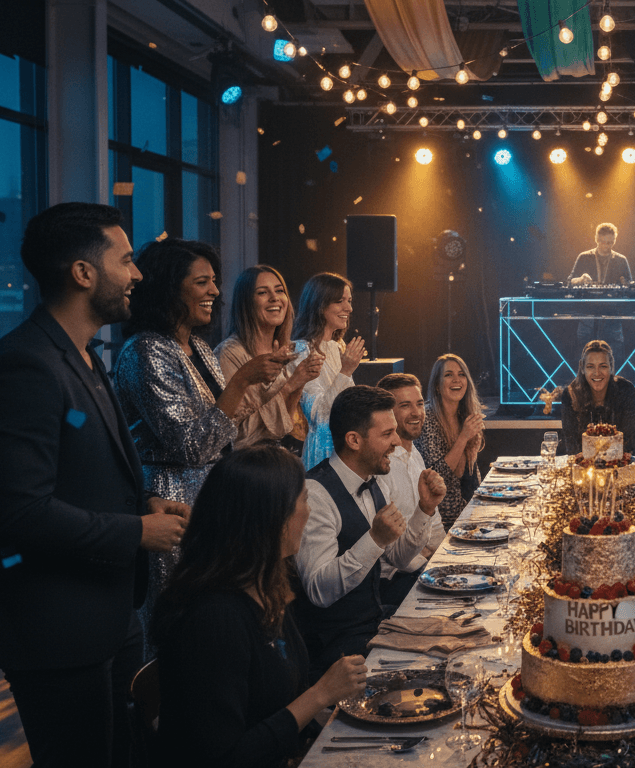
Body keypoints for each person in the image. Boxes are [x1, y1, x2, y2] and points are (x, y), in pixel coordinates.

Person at [0, 202, 188, 767]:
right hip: (56, 631)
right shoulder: (23, 366)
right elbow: (22, 514)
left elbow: (86, 469)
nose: (137, 274)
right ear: (83, 273)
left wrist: (144, 500)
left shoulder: (84, 356)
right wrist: (137, 531)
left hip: (108, 616)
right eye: (127, 260)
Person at [115, 238, 287, 649]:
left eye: (214, 281)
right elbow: (191, 446)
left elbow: (227, 427)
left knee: (218, 622)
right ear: (170, 287)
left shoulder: (198, 348)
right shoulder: (145, 352)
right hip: (173, 505)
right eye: (202, 282)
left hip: (211, 501)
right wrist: (243, 379)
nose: (214, 291)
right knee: (180, 627)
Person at [153, 446, 371, 768]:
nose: (308, 512)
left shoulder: (262, 588)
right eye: (304, 500)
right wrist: (320, 695)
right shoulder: (213, 618)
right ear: (272, 518)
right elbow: (225, 758)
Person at [293, 386, 446, 676]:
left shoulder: (374, 481)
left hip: (376, 624)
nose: (398, 442)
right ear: (354, 440)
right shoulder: (315, 494)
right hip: (339, 648)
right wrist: (374, 539)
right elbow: (318, 590)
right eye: (387, 434)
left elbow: (399, 558)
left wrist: (424, 509)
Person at [215, 265, 323, 451]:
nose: (275, 298)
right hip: (245, 465)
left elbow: (285, 424)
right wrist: (291, 384)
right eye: (263, 292)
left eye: (279, 291)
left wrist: (301, 382)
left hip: (277, 460)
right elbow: (237, 431)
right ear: (246, 303)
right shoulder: (229, 353)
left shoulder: (284, 349)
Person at [376, 372, 447, 605]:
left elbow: (433, 520)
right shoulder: (381, 465)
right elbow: (395, 556)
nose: (416, 412)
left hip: (424, 566)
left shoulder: (414, 452)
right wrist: (425, 558)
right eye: (405, 405)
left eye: (419, 404)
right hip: (396, 582)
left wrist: (445, 557)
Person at [291, 272, 367, 468]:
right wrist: (346, 372)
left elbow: (348, 403)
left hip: (346, 449)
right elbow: (319, 416)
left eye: (349, 301)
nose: (349, 308)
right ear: (319, 304)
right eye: (340, 301)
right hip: (323, 453)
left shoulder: (338, 346)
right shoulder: (301, 350)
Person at [418, 354, 486, 531]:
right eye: (448, 375)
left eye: (462, 374)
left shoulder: (464, 415)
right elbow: (437, 476)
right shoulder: (428, 419)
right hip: (443, 523)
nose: (457, 379)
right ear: (437, 386)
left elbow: (469, 474)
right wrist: (463, 437)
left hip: (468, 514)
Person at [559, 339, 635, 456]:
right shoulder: (570, 394)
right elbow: (572, 447)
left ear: (611, 367)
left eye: (603, 366)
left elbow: (627, 443)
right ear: (582, 368)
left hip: (619, 465)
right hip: (584, 468)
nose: (597, 373)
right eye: (590, 367)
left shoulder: (626, 389)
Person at [568, 222, 633, 362]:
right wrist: (580, 280)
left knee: (615, 358)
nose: (606, 246)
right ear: (597, 240)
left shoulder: (621, 260)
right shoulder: (584, 257)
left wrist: (624, 286)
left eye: (610, 242)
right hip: (587, 316)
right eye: (603, 242)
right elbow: (569, 283)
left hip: (612, 317)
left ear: (614, 241)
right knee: (584, 358)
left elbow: (629, 287)